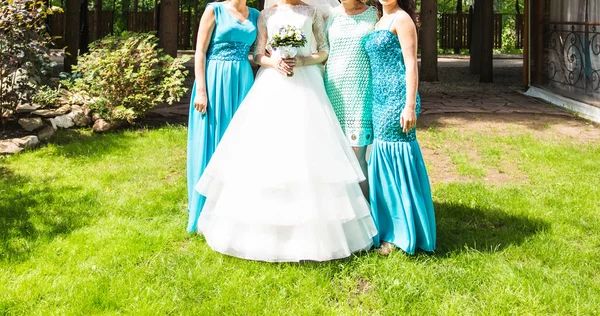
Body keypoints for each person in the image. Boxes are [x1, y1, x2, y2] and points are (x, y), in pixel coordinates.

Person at [193, 0, 377, 262]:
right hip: (271, 84)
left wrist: (302, 61)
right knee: (267, 150)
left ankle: (317, 226)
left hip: (307, 83)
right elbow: (258, 54)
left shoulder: (312, 13)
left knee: (308, 148)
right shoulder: (266, 14)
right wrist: (274, 63)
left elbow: (324, 51)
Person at [364, 0, 436, 255]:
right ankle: (386, 229)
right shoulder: (377, 20)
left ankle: (401, 233)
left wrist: (409, 105)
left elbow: (410, 64)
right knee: (382, 161)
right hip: (378, 98)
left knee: (396, 160)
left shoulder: (402, 20)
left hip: (397, 98)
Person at [187, 0, 260, 232]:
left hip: (242, 81)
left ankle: (234, 210)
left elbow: (261, 49)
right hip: (214, 81)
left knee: (239, 144)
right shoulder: (214, 10)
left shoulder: (256, 15)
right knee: (213, 141)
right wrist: (201, 89)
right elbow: (200, 51)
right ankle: (204, 210)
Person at [325, 0, 378, 200]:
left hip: (361, 90)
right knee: (336, 155)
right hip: (333, 90)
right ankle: (344, 218)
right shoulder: (331, 16)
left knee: (358, 156)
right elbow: (323, 51)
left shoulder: (373, 15)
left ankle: (367, 216)